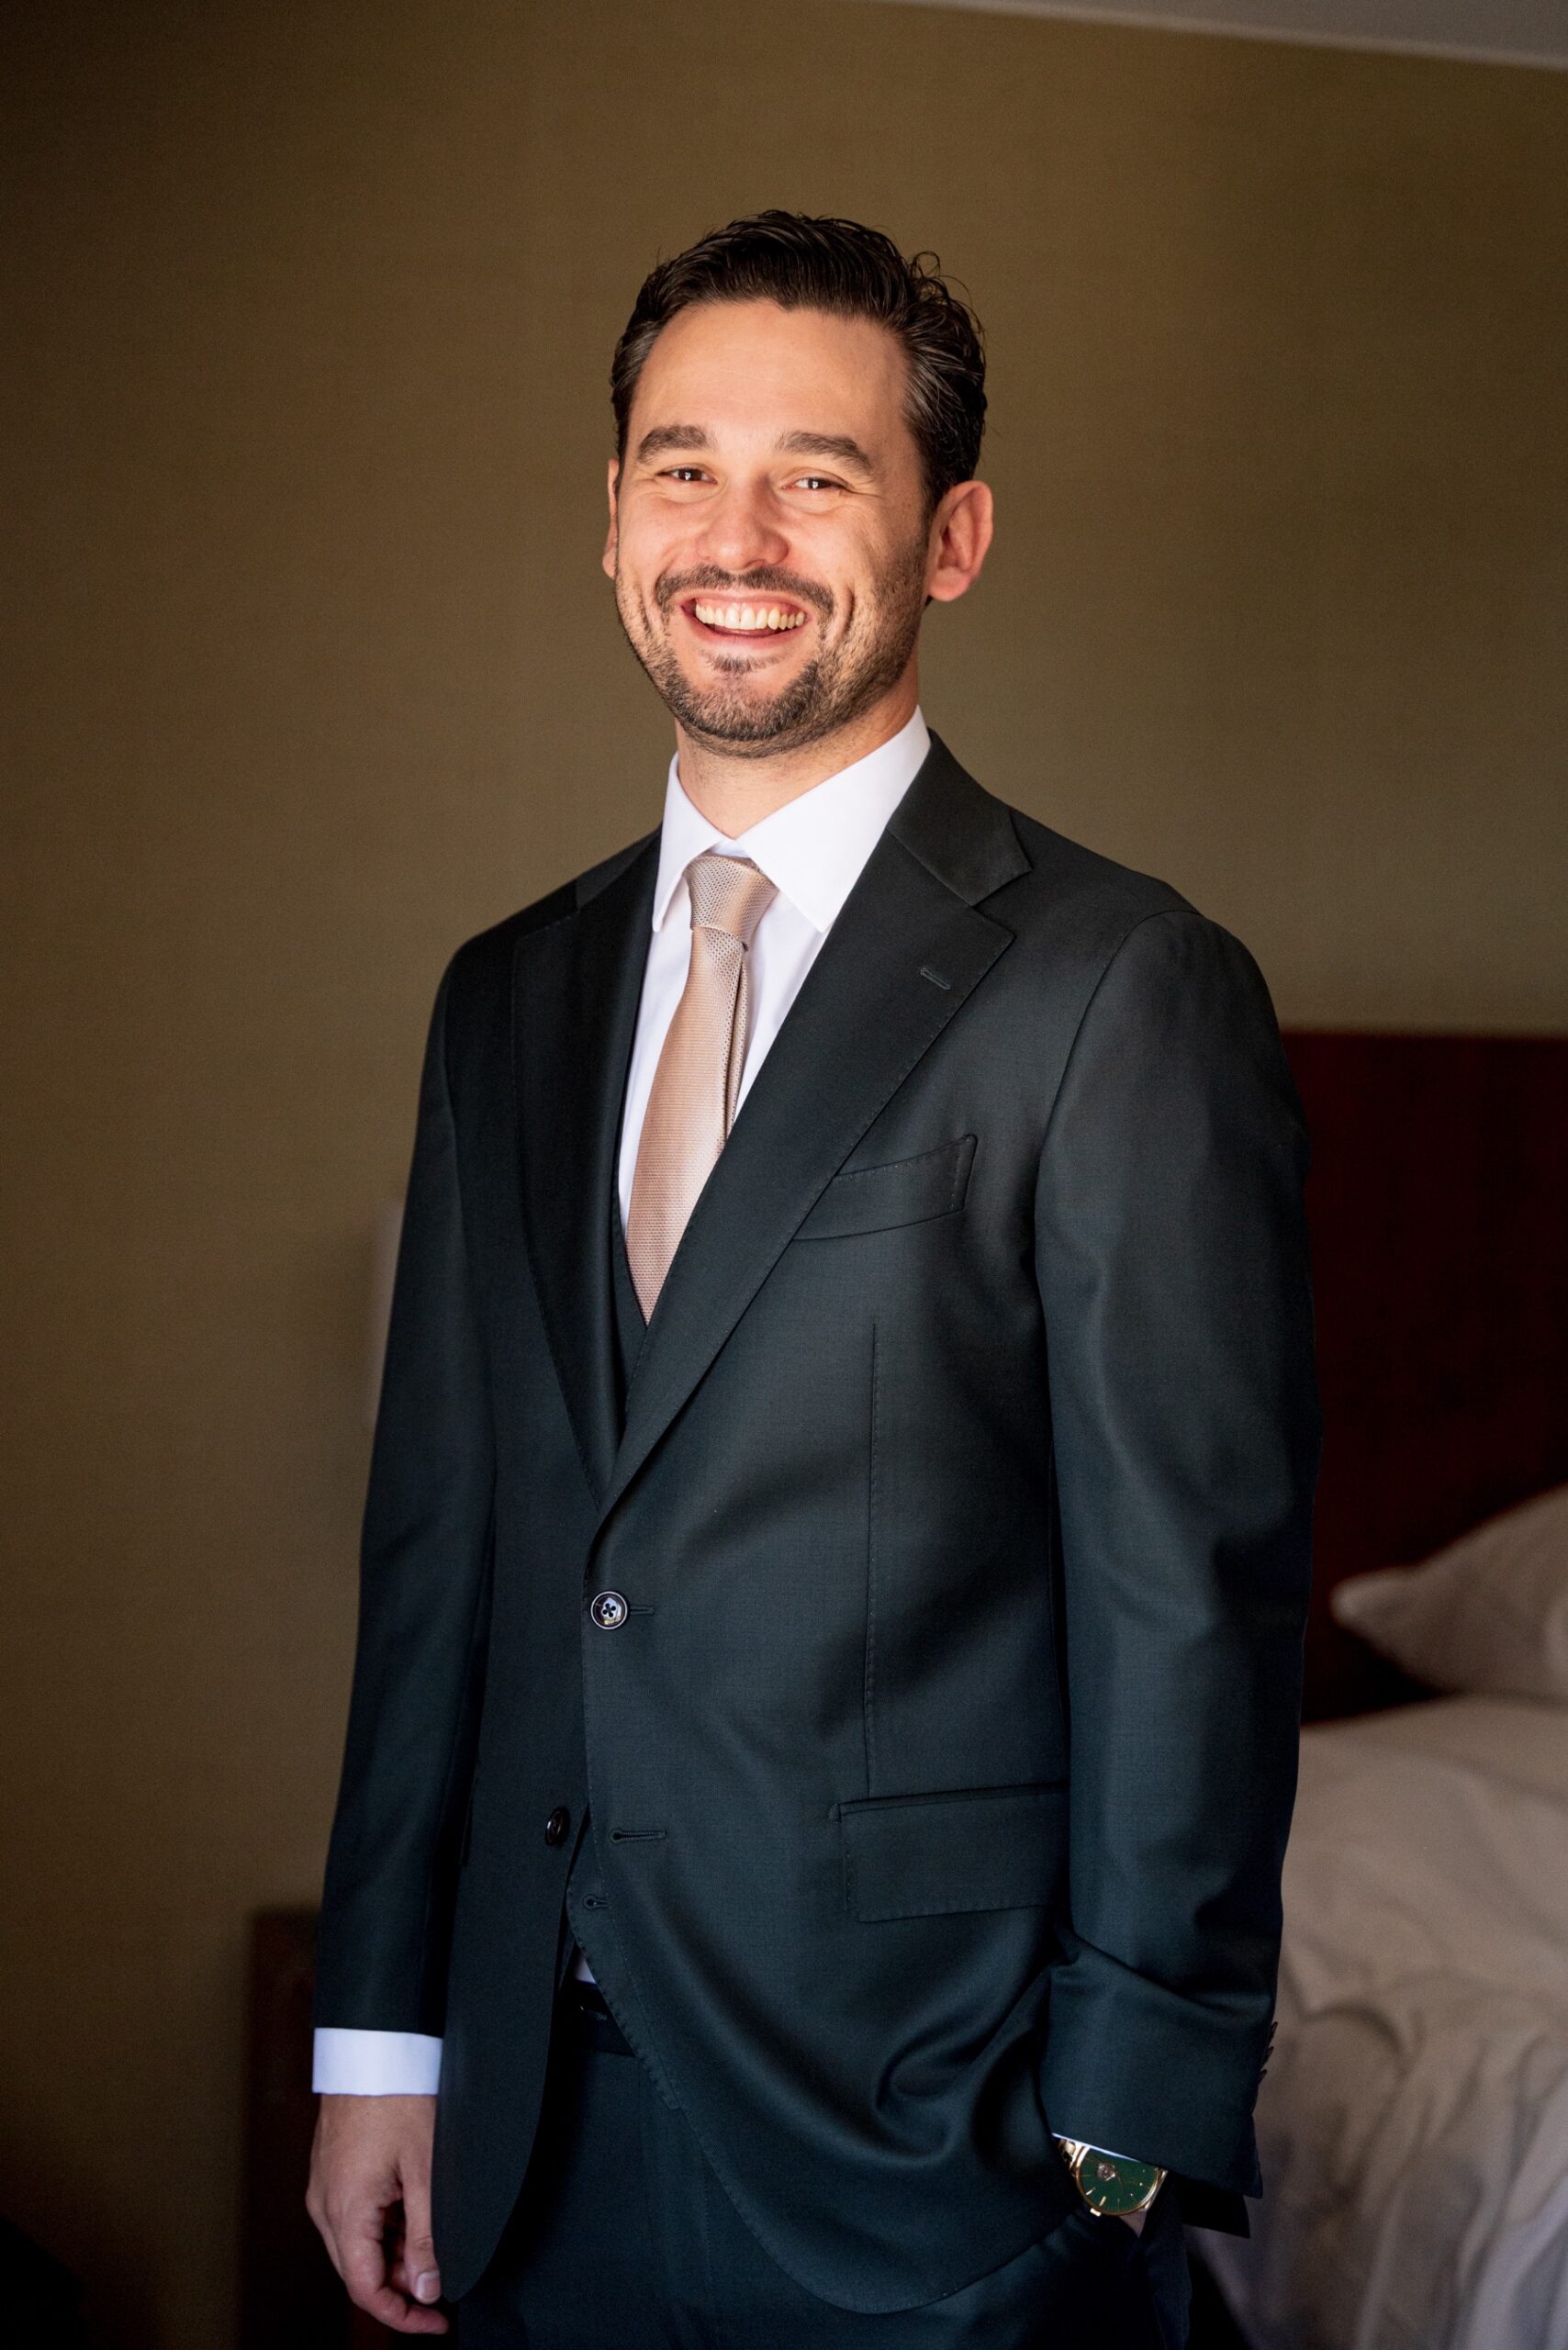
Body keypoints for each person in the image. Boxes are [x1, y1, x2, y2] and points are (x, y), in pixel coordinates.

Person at [306, 210, 1318, 2348]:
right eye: (680, 464)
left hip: (933, 2156)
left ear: (947, 536)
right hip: (524, 2127)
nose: (734, 532)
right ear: (608, 521)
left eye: (817, 472)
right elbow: (446, 1552)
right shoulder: (503, 994)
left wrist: (1117, 2138)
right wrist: (379, 2042)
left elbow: (1184, 1592)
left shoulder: (1115, 983)